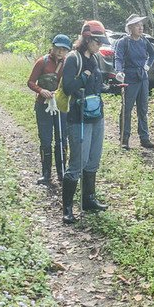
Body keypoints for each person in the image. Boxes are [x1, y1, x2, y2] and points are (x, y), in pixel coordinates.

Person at [60, 20, 111, 224]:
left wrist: (111, 87)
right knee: (77, 163)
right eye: (97, 41)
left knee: (93, 160)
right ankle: (67, 208)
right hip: (78, 117)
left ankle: (88, 200)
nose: (100, 45)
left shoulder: (95, 58)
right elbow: (68, 87)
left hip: (96, 115)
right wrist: (85, 77)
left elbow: (95, 86)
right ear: (87, 38)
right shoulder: (73, 58)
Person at [27, 34, 72, 185]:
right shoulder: (42, 62)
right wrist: (41, 90)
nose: (60, 52)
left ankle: (62, 173)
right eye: (58, 48)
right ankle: (46, 175)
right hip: (42, 105)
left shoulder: (68, 64)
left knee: (61, 139)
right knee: (46, 140)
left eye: (64, 49)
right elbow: (31, 82)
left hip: (61, 106)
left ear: (67, 51)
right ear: (52, 47)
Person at [114, 14, 154, 150]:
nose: (140, 27)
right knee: (127, 109)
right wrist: (119, 71)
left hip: (143, 77)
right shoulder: (123, 42)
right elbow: (118, 58)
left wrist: (148, 65)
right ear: (130, 27)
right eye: (137, 25)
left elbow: (153, 54)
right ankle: (124, 139)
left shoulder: (144, 41)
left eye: (141, 25)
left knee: (143, 109)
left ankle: (144, 138)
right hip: (130, 78)